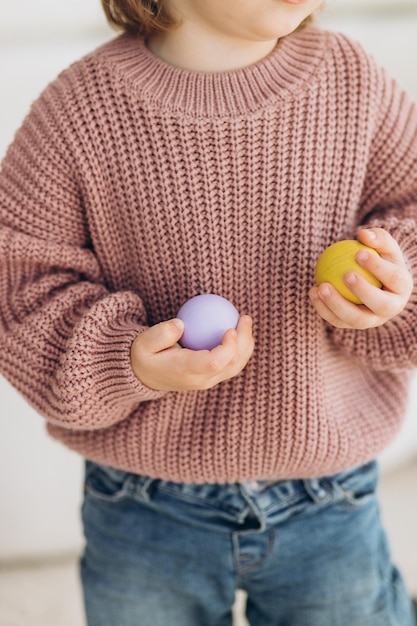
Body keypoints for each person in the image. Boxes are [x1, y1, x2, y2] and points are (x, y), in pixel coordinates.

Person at [1, 0, 417, 624]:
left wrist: (394, 288)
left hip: (330, 495)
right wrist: (127, 360)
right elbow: (24, 286)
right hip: (143, 504)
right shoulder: (78, 112)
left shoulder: (352, 81)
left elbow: (408, 211)